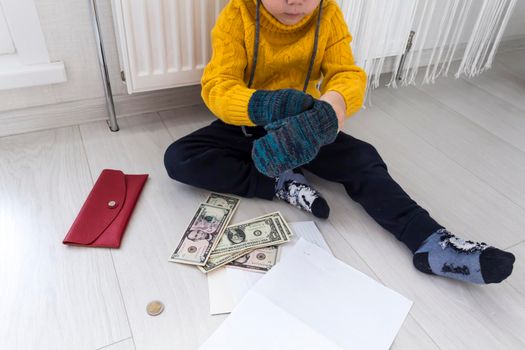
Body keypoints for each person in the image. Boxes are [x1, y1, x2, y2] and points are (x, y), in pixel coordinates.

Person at [164, 0, 515, 284]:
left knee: (363, 158)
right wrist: (266, 105)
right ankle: (279, 182)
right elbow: (218, 85)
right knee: (179, 158)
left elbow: (346, 75)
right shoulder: (236, 15)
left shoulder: (328, 15)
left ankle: (428, 240)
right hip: (246, 125)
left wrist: (327, 115)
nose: (294, 0)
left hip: (305, 128)